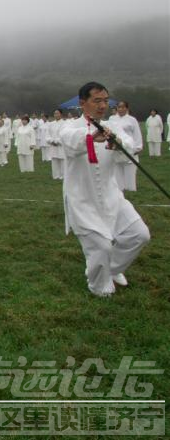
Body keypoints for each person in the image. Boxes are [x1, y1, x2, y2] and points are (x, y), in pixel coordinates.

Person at [58, 82, 150, 297]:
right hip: (83, 199)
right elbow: (70, 141)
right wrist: (90, 138)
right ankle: (99, 288)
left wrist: (117, 142)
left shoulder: (112, 127)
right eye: (96, 100)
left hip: (112, 196)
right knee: (101, 247)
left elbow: (127, 146)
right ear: (83, 103)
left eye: (105, 100)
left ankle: (113, 269)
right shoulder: (70, 127)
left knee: (140, 235)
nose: (102, 105)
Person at [107, 101, 142, 191]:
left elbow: (137, 133)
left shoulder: (132, 119)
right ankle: (119, 190)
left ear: (127, 108)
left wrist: (138, 147)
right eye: (119, 107)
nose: (121, 109)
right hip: (116, 148)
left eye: (123, 107)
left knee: (130, 170)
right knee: (117, 171)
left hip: (130, 147)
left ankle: (131, 190)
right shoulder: (112, 119)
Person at [46, 109, 66, 180]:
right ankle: (55, 175)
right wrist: (51, 141)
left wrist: (57, 141)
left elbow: (64, 134)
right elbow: (47, 134)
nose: (56, 115)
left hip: (61, 145)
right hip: (52, 145)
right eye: (55, 113)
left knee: (62, 160)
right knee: (54, 160)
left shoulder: (65, 123)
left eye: (57, 113)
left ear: (61, 114)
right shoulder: (51, 124)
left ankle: (63, 175)